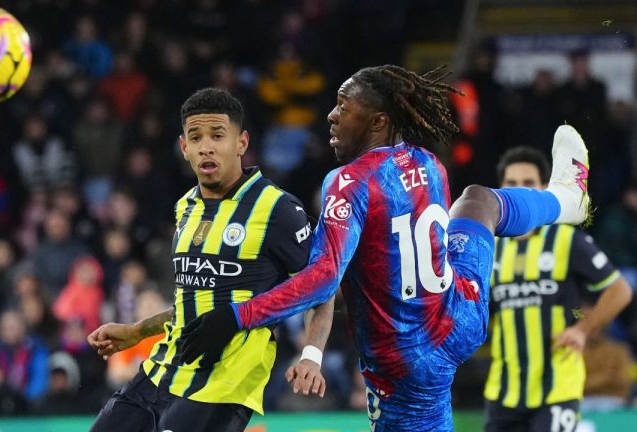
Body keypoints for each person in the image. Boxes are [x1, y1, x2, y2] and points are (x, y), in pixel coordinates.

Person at [178, 65, 592, 431]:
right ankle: (566, 200)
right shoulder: (428, 162)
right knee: (479, 200)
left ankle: (566, 200)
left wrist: (237, 317)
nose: (332, 115)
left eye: (343, 106)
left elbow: (323, 280)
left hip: (405, 362)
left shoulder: (347, 182)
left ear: (376, 120)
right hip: (461, 314)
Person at [87, 88, 335, 432]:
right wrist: (136, 331)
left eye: (218, 135)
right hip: (165, 367)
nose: (207, 146)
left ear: (241, 143)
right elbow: (197, 303)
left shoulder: (278, 210)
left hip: (226, 382)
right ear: (184, 147)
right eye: (196, 137)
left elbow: (322, 287)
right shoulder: (185, 207)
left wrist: (311, 355)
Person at [483, 146, 632, 431]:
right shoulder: (491, 247)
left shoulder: (565, 240)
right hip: (502, 390)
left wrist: (582, 330)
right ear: (501, 189)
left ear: (543, 189)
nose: (520, 190)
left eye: (528, 183)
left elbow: (620, 290)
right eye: (511, 184)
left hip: (556, 389)